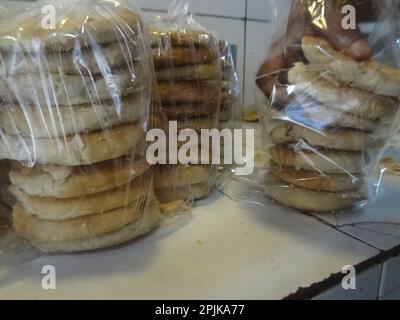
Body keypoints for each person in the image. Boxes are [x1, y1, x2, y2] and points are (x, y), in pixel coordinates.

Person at [256, 0, 372, 106]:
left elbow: (361, 51)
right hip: (302, 112)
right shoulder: (289, 46)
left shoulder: (348, 34)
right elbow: (266, 78)